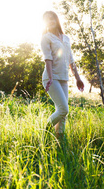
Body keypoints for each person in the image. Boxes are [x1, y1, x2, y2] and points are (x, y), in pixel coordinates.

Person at [40, 11, 84, 139]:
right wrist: (50, 77)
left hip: (64, 78)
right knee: (64, 109)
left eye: (52, 18)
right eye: (47, 19)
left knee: (62, 114)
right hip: (51, 78)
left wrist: (78, 78)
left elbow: (71, 60)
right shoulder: (46, 38)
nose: (50, 21)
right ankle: (45, 132)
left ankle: (61, 143)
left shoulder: (66, 38)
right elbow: (48, 59)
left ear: (56, 20)